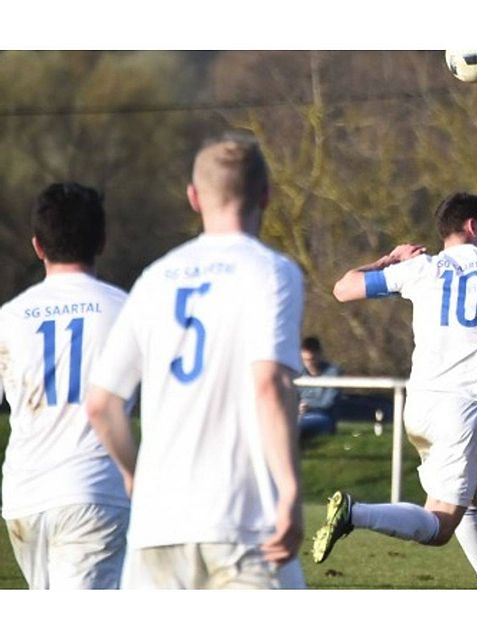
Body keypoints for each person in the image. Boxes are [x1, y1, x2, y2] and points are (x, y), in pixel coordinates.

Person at [85, 131, 306, 589]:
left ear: (193, 197)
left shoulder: (154, 278)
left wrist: (136, 476)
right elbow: (268, 384)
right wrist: (289, 490)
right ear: (265, 195)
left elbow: (101, 404)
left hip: (157, 527)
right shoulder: (272, 271)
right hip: (243, 522)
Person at [313, 192, 477, 590]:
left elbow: (343, 289)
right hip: (463, 407)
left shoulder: (421, 268)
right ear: (472, 226)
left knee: (472, 493)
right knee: (439, 525)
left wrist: (387, 260)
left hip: (420, 405)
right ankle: (355, 513)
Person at [0, 182, 130, 589]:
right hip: (92, 493)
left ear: (38, 246)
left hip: (24, 497)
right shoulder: (125, 308)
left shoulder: (10, 316)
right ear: (102, 240)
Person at [297, 336, 342, 437]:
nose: (309, 364)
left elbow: (328, 403)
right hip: (300, 414)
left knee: (294, 426)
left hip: (324, 416)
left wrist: (308, 405)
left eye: (311, 359)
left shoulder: (333, 373)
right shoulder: (299, 372)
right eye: (305, 360)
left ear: (319, 355)